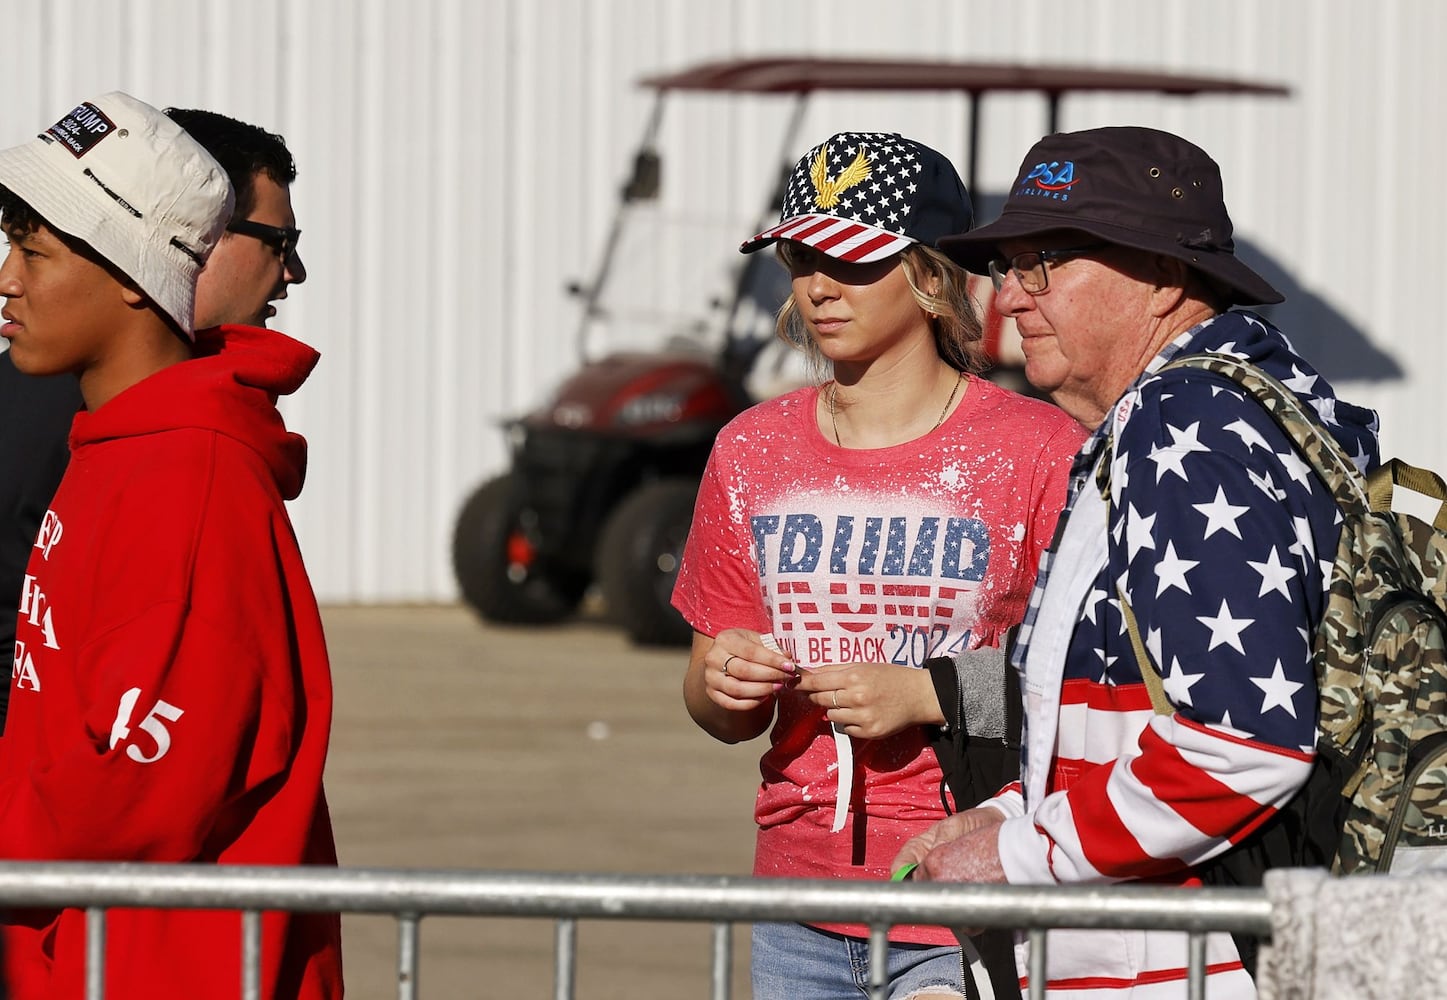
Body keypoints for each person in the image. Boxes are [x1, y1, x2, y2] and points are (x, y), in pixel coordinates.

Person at [892, 126, 1381, 998]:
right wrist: (1008, 811)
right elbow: (1135, 719)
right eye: (1007, 268)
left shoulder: (1183, 428)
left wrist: (1013, 855)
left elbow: (1239, 744)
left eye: (1044, 263)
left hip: (1183, 966)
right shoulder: (1238, 405)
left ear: (1158, 279)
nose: (1011, 299)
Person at [672, 131, 1086, 999]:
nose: (819, 285)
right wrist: (724, 684)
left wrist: (924, 691)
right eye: (799, 256)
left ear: (930, 275)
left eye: (852, 259)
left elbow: (1092, 681)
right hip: (797, 905)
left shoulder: (1039, 451)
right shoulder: (749, 450)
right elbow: (712, 702)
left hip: (970, 886)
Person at [0, 92, 341, 998]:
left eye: (34, 250)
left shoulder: (188, 474)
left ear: (128, 269)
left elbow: (136, 790)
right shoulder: (112, 443)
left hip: (159, 966)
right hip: (78, 949)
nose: (6, 278)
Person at [0, 106, 308, 734]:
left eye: (32, 252)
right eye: (281, 243)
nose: (292, 272)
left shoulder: (165, 439)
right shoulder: (86, 414)